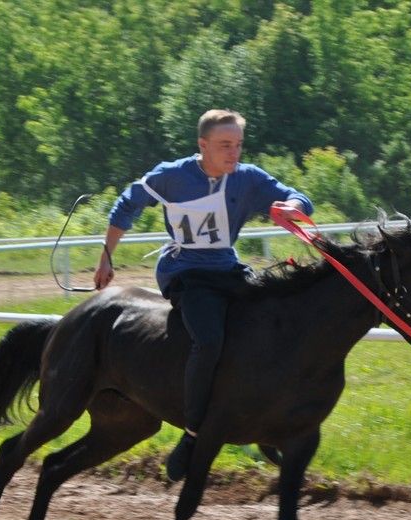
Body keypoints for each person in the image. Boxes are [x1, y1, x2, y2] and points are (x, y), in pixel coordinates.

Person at [95, 109, 313, 481]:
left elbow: (297, 198)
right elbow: (126, 204)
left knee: (274, 325)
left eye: (238, 145)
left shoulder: (247, 179)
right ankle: (192, 435)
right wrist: (106, 257)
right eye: (225, 146)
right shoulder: (171, 176)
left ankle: (268, 423)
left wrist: (293, 207)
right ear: (203, 145)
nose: (234, 153)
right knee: (209, 341)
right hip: (185, 273)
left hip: (227, 269)